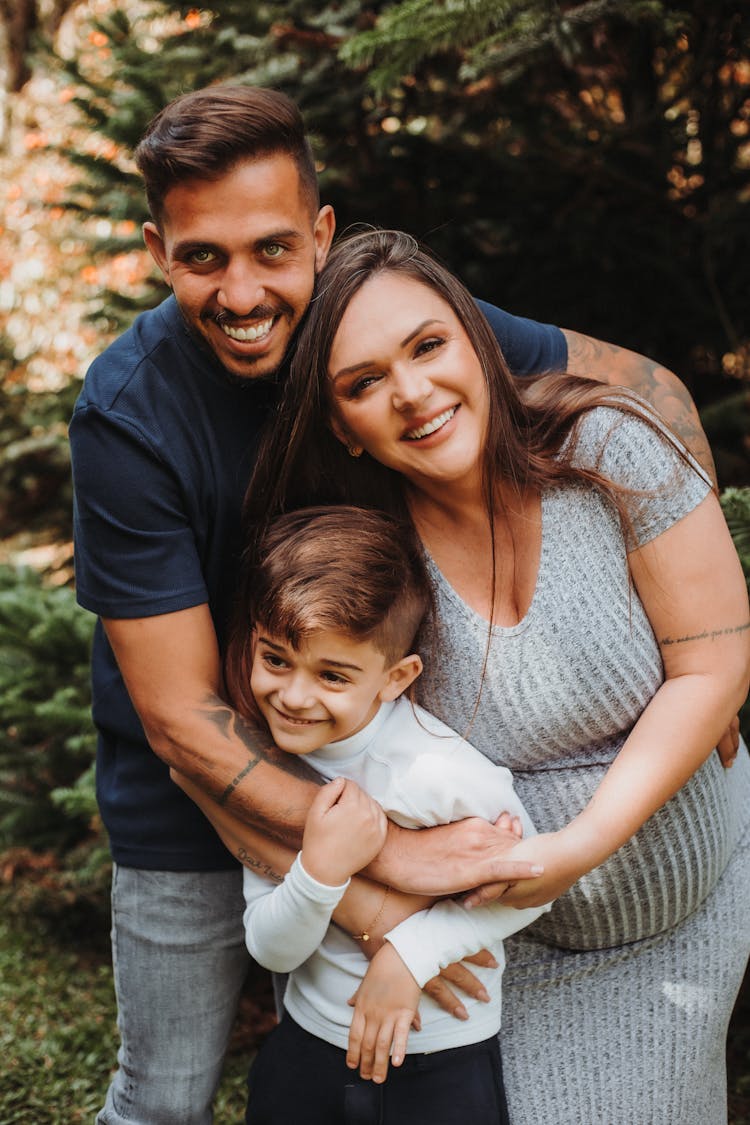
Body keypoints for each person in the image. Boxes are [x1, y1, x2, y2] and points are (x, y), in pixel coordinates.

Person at [68, 84, 735, 1123]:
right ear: (158, 250)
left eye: (274, 251)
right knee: (167, 1096)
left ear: (322, 235)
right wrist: (385, 870)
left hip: (382, 781)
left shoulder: (396, 323)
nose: (242, 292)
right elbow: (182, 726)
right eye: (203, 257)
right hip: (200, 782)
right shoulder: (129, 414)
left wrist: (701, 631)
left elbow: (646, 390)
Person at [226, 227, 750, 1124]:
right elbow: (278, 734)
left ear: (473, 338)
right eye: (364, 383)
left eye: (427, 346)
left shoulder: (607, 448)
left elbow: (713, 664)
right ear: (343, 428)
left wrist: (575, 849)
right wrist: (394, 921)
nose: (414, 392)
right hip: (487, 953)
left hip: (685, 924)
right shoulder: (369, 571)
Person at [224, 505, 549, 1123]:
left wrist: (408, 957)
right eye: (275, 660)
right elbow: (272, 950)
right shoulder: (269, 772)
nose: (294, 696)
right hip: (312, 1044)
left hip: (441, 1060)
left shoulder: (438, 771)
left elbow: (534, 887)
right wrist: (318, 872)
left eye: (333, 676)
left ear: (396, 678)